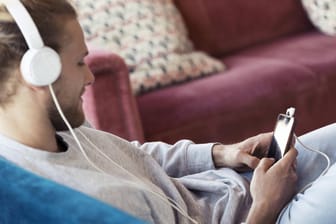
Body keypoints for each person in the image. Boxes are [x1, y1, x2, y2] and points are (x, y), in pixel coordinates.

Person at [0, 0, 335, 223]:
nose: (89, 77)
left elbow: (132, 155)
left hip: (244, 186)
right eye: (78, 62)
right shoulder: (62, 205)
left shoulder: (61, 129)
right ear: (37, 74)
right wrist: (266, 205)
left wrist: (223, 154)